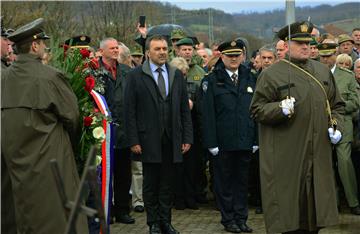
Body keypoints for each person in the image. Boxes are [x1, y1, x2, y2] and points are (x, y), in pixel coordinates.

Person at [250, 21, 345, 233]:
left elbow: (337, 106)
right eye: (299, 42)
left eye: (308, 42)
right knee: (290, 215)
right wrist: (278, 109)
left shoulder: (322, 72)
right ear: (286, 44)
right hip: (287, 156)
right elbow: (256, 110)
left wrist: (337, 127)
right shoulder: (272, 74)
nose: (305, 46)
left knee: (316, 212)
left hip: (318, 154)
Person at [1, 18, 88, 233]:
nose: (44, 47)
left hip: (13, 162)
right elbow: (72, 117)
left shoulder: (3, 78)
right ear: (34, 46)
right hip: (51, 161)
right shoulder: (50, 77)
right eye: (42, 43)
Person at [124, 35, 193, 234]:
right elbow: (129, 112)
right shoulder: (135, 76)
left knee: (167, 184)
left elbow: (183, 110)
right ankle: (153, 222)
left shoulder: (175, 74)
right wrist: (134, 140)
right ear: (148, 52)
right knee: (151, 183)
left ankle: (166, 221)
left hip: (171, 139)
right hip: (147, 139)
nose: (163, 52)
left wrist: (187, 137)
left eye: (164, 48)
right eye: (158, 49)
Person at [202, 39, 257, 233]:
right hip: (222, 143)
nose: (234, 59)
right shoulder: (211, 79)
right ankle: (228, 219)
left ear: (242, 56)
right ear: (221, 56)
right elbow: (206, 114)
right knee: (224, 183)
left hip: (244, 140)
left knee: (242, 182)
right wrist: (211, 142)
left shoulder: (251, 77)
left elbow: (256, 110)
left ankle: (241, 218)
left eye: (237, 55)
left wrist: (256, 139)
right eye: (229, 55)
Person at [318, 41, 360, 215]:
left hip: (343, 123)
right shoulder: (313, 74)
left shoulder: (347, 76)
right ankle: (331, 203)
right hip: (320, 124)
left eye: (330, 56)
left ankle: (353, 201)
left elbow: (356, 101)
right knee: (325, 164)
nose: (327, 59)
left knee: (344, 162)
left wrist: (338, 108)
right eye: (324, 56)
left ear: (336, 55)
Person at [98, 37, 135, 224]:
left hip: (124, 132)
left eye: (117, 48)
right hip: (102, 132)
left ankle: (122, 210)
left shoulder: (127, 72)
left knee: (123, 174)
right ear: (102, 51)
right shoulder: (94, 72)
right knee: (105, 173)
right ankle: (105, 211)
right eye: (111, 48)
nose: (115, 50)